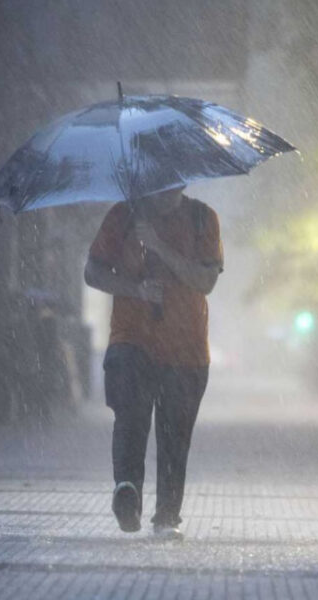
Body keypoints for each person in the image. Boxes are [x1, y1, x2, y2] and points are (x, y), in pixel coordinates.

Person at [84, 186, 223, 540]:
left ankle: (166, 516)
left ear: (185, 180)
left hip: (186, 349)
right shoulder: (124, 215)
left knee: (175, 436)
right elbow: (93, 273)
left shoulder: (202, 218)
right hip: (132, 340)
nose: (166, 186)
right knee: (130, 416)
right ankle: (127, 490)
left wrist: (160, 246)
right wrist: (136, 289)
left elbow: (205, 281)